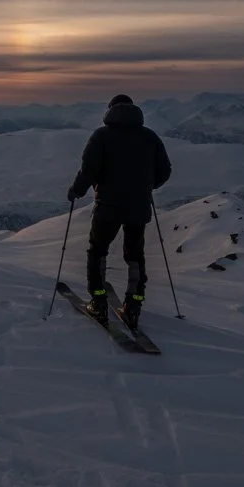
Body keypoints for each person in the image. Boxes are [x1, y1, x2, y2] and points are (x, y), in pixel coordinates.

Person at [66, 94, 172, 329]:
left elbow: (89, 171)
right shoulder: (150, 137)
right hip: (138, 207)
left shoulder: (101, 136)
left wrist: (76, 191)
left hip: (108, 207)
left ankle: (98, 300)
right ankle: (133, 306)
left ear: (110, 110)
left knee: (98, 252)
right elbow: (164, 171)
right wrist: (146, 186)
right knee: (135, 256)